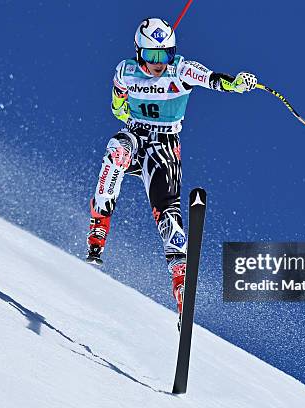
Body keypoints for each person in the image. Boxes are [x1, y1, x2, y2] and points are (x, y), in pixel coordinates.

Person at [86, 17, 257, 320]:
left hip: (164, 144)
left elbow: (213, 79)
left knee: (167, 212)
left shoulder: (181, 69)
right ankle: (99, 225)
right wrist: (125, 106)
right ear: (139, 53)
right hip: (136, 134)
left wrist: (236, 84)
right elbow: (117, 105)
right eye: (152, 56)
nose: (158, 63)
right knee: (116, 152)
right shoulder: (125, 71)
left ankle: (179, 278)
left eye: (164, 55)